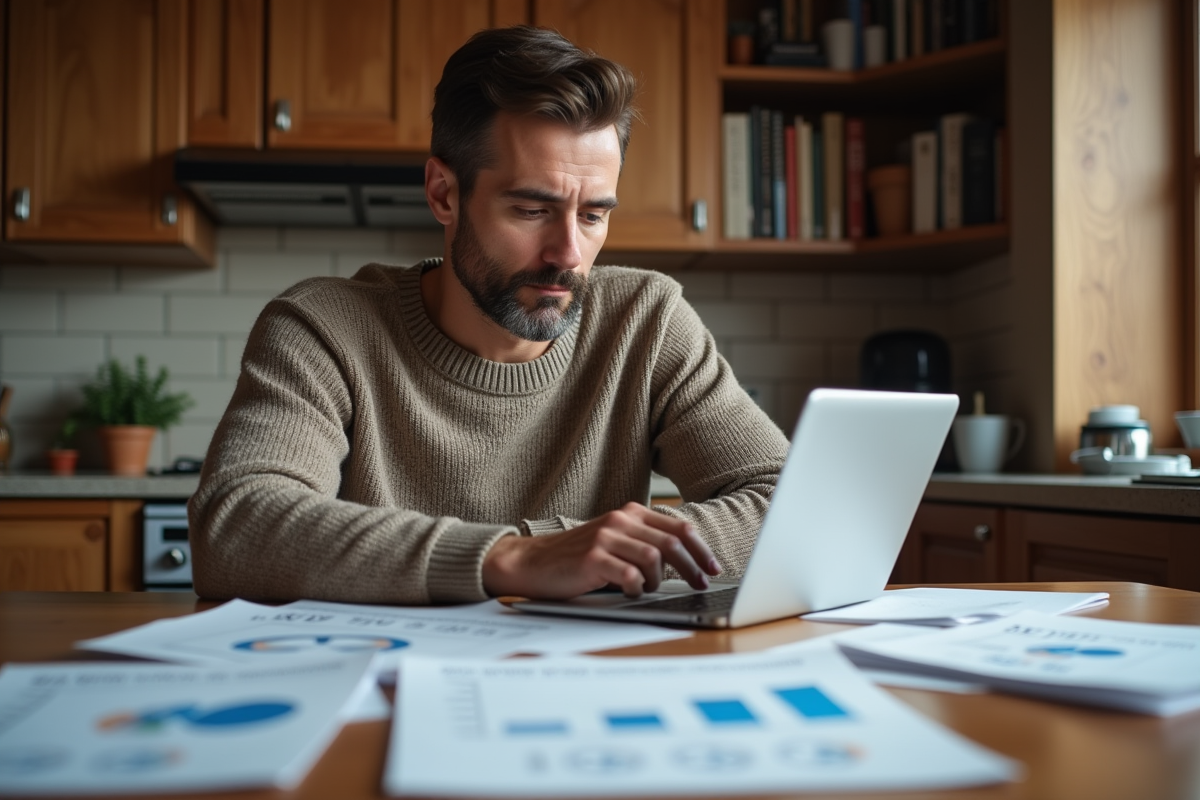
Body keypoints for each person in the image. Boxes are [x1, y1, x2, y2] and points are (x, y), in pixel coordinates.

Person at [189, 25, 790, 604]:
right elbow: (236, 524)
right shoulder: (322, 327)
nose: (567, 255)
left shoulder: (646, 322)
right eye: (531, 210)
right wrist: (517, 558)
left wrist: (608, 552)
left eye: (592, 215)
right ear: (444, 194)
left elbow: (794, 504)